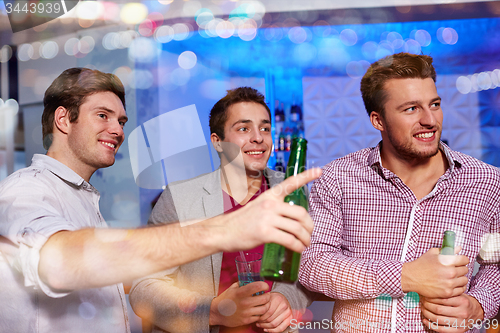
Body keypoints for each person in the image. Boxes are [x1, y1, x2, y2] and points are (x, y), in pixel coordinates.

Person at [0, 68, 320, 333]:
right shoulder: (25, 190)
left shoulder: (81, 197)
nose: (117, 130)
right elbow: (59, 263)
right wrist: (223, 237)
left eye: (121, 121)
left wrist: (286, 300)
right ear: (63, 120)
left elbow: (311, 267)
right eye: (103, 115)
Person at [299, 52, 500, 333]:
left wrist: (479, 305)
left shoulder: (486, 181)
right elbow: (312, 264)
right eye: (411, 109)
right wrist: (406, 276)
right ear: (378, 120)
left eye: (435, 104)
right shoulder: (338, 178)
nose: (430, 120)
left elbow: (496, 264)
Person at [129, 87, 314, 333]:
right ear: (218, 142)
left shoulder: (292, 192)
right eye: (243, 128)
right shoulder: (180, 198)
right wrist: (213, 311)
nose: (258, 137)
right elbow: (144, 287)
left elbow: (311, 268)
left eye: (265, 128)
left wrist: (287, 299)